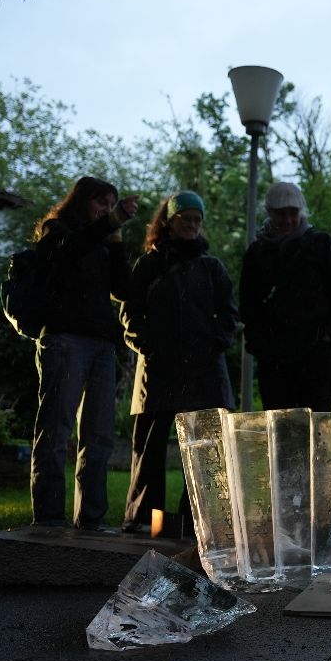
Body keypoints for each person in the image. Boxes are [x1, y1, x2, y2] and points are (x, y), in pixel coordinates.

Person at [119, 191, 237, 535]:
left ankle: (196, 525)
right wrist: (149, 347)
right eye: (185, 218)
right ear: (168, 222)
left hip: (204, 372)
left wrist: (214, 343)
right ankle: (146, 522)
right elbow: (130, 313)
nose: (191, 225)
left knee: (205, 451)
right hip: (158, 371)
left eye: (196, 220)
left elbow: (229, 314)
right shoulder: (148, 264)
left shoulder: (211, 267)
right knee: (150, 451)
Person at [30, 176, 137, 530]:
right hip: (64, 342)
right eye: (100, 203)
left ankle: (90, 519)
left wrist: (117, 240)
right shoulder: (56, 230)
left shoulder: (104, 240)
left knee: (99, 435)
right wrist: (109, 225)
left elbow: (123, 291)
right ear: (81, 201)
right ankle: (48, 519)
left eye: (111, 205)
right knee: (57, 430)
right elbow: (68, 250)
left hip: (103, 345)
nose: (106, 210)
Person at [240, 182, 331, 412]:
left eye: (293, 213)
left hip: (316, 356)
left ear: (301, 213)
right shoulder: (256, 253)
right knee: (280, 427)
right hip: (274, 360)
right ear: (270, 213)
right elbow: (248, 304)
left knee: (316, 427)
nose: (288, 220)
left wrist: (329, 338)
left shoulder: (321, 245)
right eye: (280, 214)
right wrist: (260, 344)